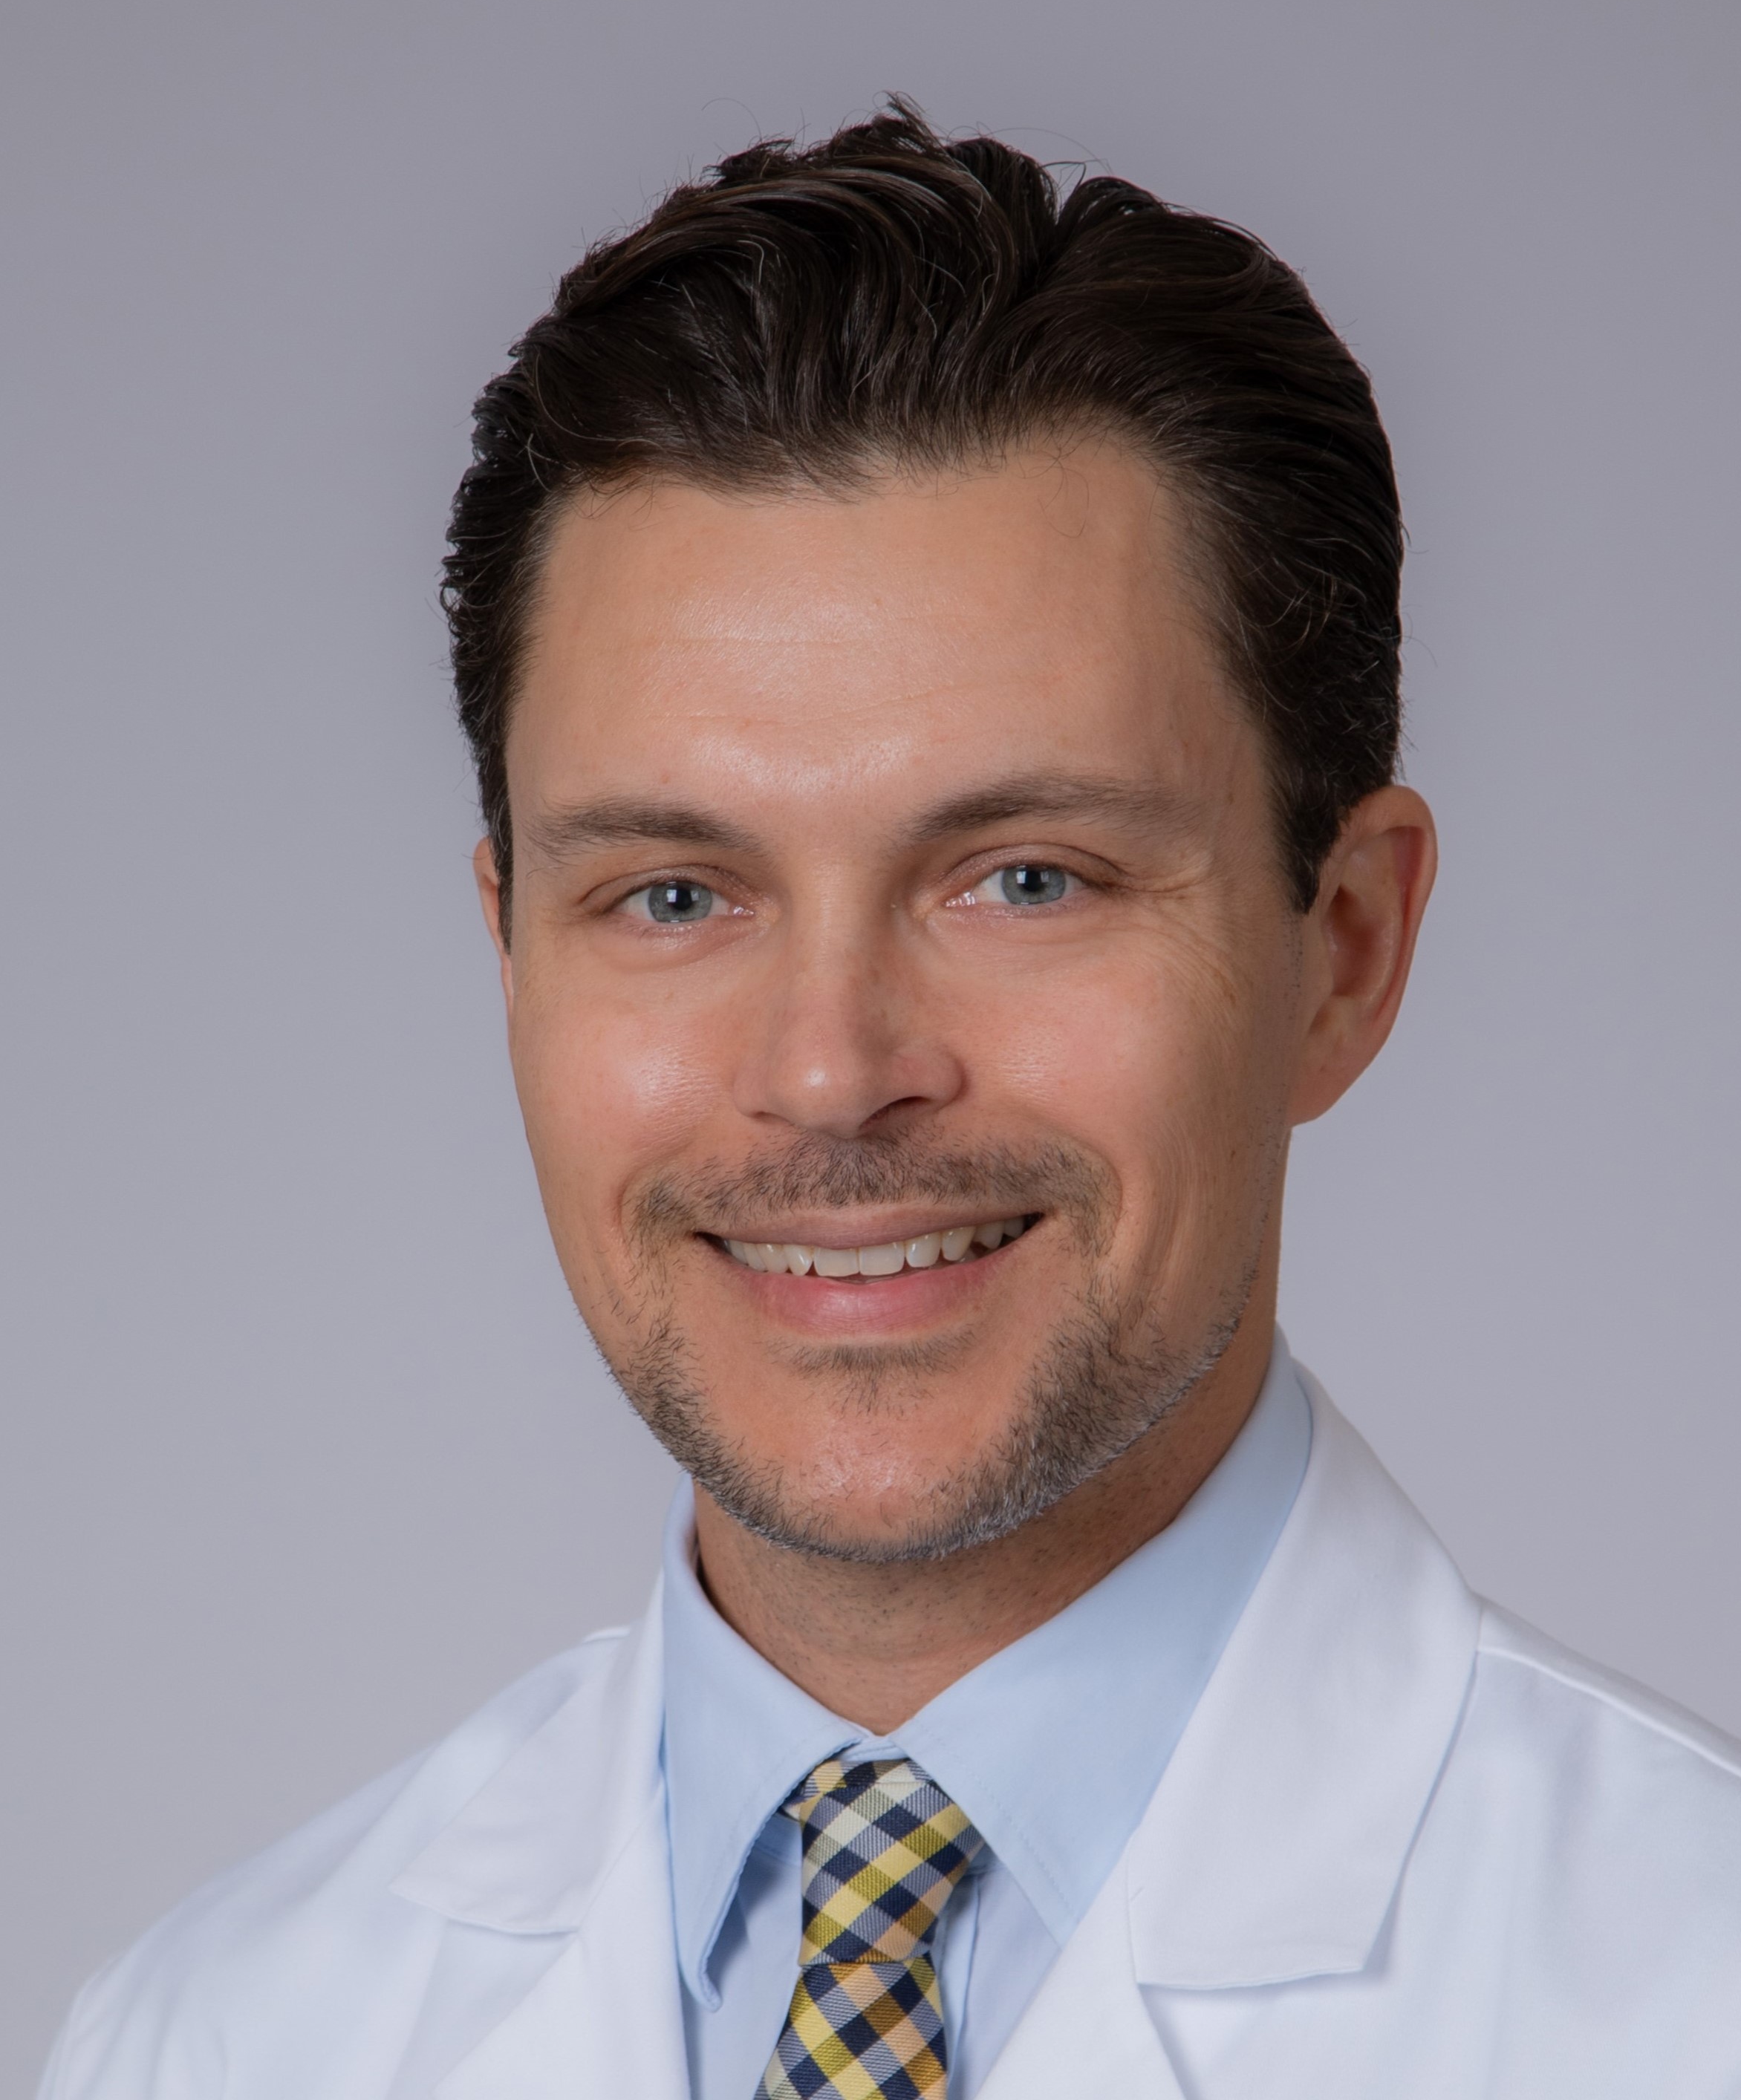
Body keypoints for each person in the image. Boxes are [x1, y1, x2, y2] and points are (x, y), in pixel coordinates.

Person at [40, 101, 1741, 2100]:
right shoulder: (211, 2042)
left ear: (1344, 949)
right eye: (675, 895)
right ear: (513, 957)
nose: (833, 1073)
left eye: (1026, 880)